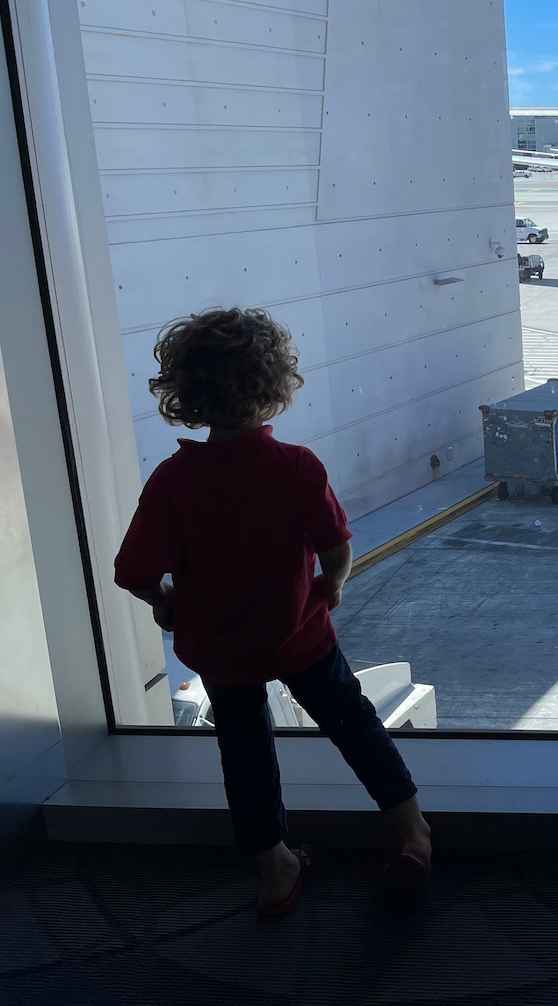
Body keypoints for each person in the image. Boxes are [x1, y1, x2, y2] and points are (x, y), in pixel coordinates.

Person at [114, 307, 431, 915]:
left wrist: (167, 604)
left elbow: (133, 573)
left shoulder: (173, 481)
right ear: (273, 385)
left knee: (245, 751)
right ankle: (413, 834)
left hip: (220, 648)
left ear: (186, 391)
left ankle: (275, 870)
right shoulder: (295, 467)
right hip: (298, 637)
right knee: (355, 726)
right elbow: (336, 548)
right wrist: (331, 584)